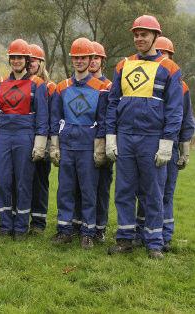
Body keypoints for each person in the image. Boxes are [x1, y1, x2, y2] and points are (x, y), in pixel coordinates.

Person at [105, 15, 183, 259]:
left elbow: (174, 109)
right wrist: (110, 136)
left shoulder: (170, 68)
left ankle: (154, 243)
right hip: (126, 136)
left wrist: (167, 142)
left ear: (155, 37)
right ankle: (125, 239)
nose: (139, 38)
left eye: (144, 34)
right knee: (124, 190)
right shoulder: (122, 65)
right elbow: (112, 102)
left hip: (153, 138)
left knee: (153, 192)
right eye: (136, 34)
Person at [0, 39, 48, 240]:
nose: (16, 61)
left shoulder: (37, 84)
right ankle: (5, 225)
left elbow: (42, 115)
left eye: (20, 57)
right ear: (9, 59)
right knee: (2, 179)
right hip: (3, 135)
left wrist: (40, 142)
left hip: (25, 135)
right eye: (13, 57)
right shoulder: (0, 83)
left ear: (27, 60)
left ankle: (21, 227)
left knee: (23, 181)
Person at [135, 36, 194, 252]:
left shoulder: (181, 85)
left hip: (170, 144)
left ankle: (165, 235)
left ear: (171, 56)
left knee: (165, 193)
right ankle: (142, 231)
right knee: (145, 191)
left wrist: (184, 149)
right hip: (149, 143)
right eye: (160, 52)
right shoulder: (144, 82)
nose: (163, 56)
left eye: (166, 53)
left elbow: (186, 119)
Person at [50, 37, 108, 249]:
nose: (80, 61)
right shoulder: (61, 87)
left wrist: (100, 148)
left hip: (87, 147)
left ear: (91, 59)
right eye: (76, 57)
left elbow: (103, 121)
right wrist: (54, 145)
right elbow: (55, 118)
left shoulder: (101, 88)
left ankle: (87, 233)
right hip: (66, 146)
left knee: (88, 191)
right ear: (72, 59)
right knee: (65, 190)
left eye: (84, 57)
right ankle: (64, 230)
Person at [72, 41, 113, 243]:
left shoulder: (108, 86)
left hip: (100, 144)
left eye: (97, 57)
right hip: (79, 145)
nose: (93, 61)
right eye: (92, 57)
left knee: (101, 188)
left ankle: (99, 227)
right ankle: (78, 224)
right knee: (79, 188)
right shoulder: (78, 84)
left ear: (101, 61)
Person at [27, 43, 56, 234]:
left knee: (39, 180)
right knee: (22, 180)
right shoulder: (15, 83)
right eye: (27, 60)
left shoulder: (50, 87)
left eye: (34, 60)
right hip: (22, 138)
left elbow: (54, 115)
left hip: (42, 139)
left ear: (41, 62)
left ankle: (38, 221)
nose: (30, 64)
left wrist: (50, 144)